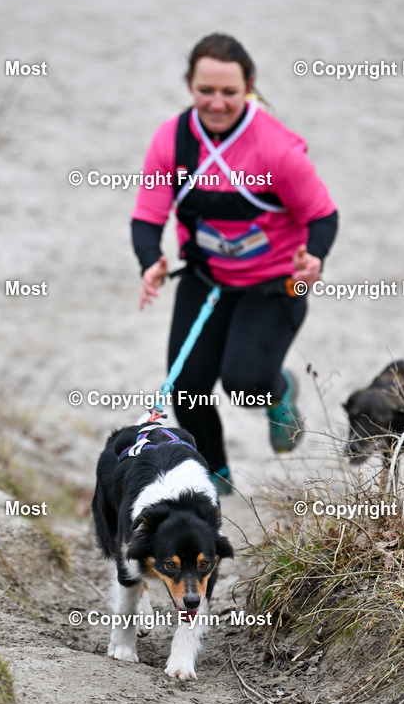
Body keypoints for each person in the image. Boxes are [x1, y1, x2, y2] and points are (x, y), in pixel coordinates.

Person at [131, 33, 338, 492]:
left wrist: (315, 259)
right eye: (206, 90)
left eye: (229, 91)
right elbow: (147, 216)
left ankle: (279, 388)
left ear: (249, 85)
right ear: (189, 84)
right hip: (206, 280)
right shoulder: (173, 140)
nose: (217, 102)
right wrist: (150, 261)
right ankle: (216, 479)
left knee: (245, 385)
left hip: (274, 286)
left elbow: (322, 216)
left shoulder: (276, 149)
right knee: (186, 387)